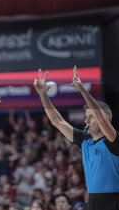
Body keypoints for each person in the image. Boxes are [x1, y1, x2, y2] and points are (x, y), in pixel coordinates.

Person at [34, 66, 119, 210]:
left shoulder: (113, 140)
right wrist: (43, 95)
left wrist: (83, 90)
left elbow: (102, 121)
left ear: (107, 117)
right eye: (86, 117)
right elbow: (57, 121)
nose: (86, 121)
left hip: (113, 201)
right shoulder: (84, 139)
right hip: (92, 201)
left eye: (91, 117)